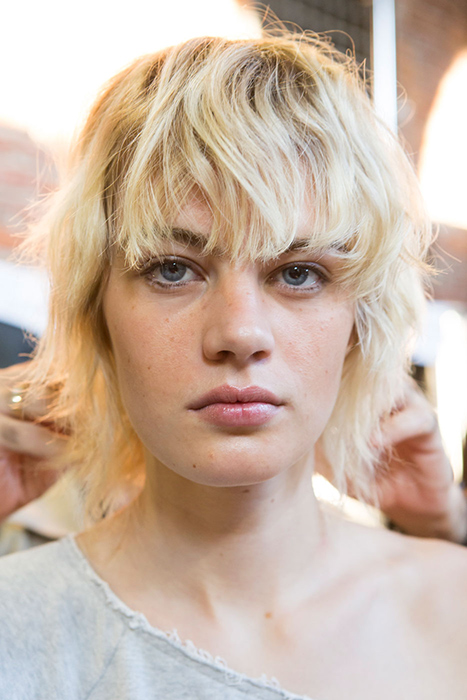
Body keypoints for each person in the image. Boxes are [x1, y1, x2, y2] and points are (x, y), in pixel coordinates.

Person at [1, 32, 467, 700]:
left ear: (359, 321)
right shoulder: (17, 626)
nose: (239, 333)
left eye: (298, 273)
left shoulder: (449, 608)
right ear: (95, 309)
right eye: (172, 269)